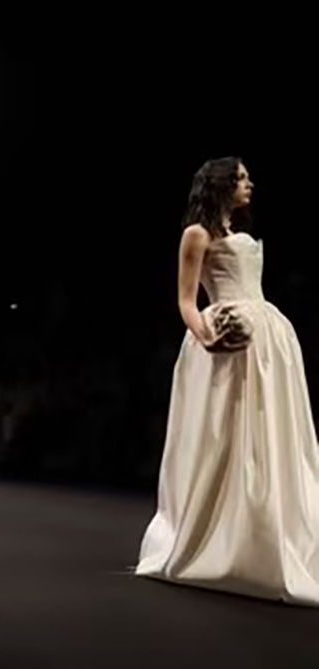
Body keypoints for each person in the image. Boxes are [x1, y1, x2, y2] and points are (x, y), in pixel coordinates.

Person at [136, 158, 319, 607]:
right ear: (221, 183)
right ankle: (220, 535)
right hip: (227, 332)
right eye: (241, 177)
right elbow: (186, 300)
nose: (249, 183)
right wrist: (207, 336)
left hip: (267, 336)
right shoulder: (197, 234)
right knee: (225, 431)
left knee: (268, 430)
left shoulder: (237, 231)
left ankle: (265, 531)